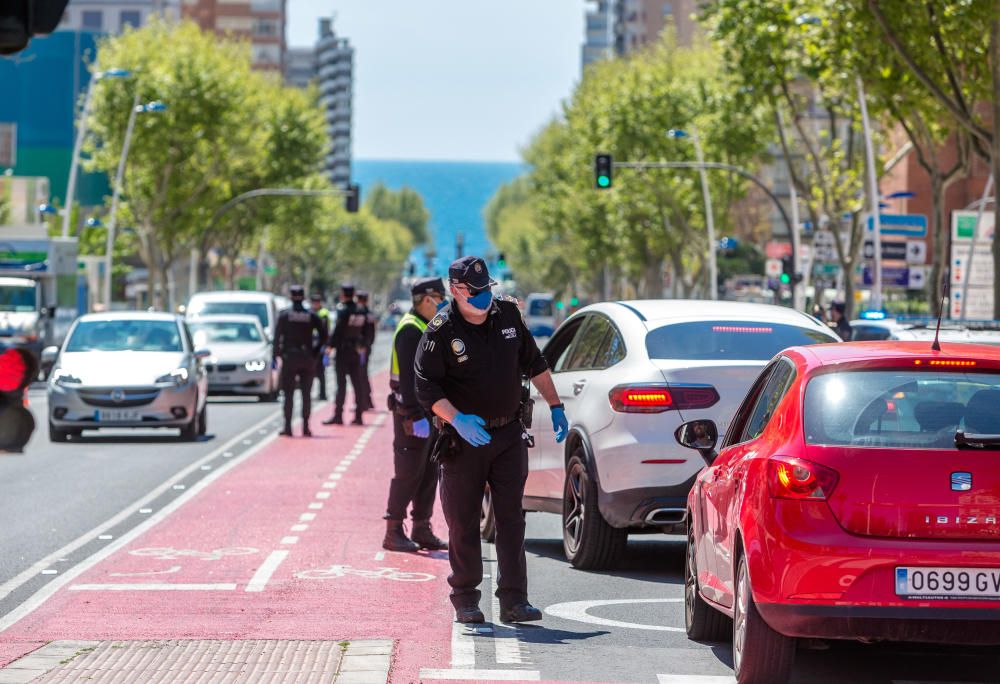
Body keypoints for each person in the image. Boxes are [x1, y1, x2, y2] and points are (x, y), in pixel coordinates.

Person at [415, 256, 569, 625]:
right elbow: (425, 387)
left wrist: (557, 405)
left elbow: (535, 362)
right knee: (463, 521)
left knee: (511, 519)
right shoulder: (439, 332)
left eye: (487, 290)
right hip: (463, 440)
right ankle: (466, 597)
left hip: (508, 435)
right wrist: (456, 419)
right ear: (456, 291)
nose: (484, 298)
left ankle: (514, 600)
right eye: (475, 292)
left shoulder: (509, 316)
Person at [383, 277, 449, 553]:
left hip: (428, 413)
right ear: (425, 299)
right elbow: (408, 380)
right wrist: (413, 415)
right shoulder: (411, 330)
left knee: (428, 473)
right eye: (439, 298)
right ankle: (393, 530)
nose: (443, 304)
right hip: (412, 415)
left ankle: (422, 527)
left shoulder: (426, 326)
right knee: (408, 473)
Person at [273, 285, 325, 437]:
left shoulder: (285, 315)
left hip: (290, 358)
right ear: (304, 297)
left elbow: (277, 337)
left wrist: (278, 355)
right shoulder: (311, 315)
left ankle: (288, 427)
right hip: (307, 357)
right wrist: (315, 353)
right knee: (306, 394)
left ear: (290, 296)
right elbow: (324, 335)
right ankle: (306, 427)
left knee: (288, 394)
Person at [323, 284, 368, 426]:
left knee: (341, 385)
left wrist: (329, 346)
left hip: (343, 351)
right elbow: (367, 331)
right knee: (357, 384)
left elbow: (338, 331)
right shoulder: (361, 310)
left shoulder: (343, 311)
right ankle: (359, 416)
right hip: (355, 350)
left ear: (343, 294)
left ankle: (338, 416)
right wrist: (363, 345)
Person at [356, 290, 376, 411]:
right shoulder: (370, 314)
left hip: (361, 349)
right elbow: (372, 333)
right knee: (363, 374)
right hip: (366, 347)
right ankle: (367, 400)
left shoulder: (361, 313)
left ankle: (365, 401)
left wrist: (362, 346)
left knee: (361, 375)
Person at [310, 293, 331, 400]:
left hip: (321, 345)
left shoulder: (323, 313)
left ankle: (323, 394)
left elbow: (326, 331)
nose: (315, 304)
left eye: (317, 302)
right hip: (311, 344)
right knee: (310, 371)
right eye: (313, 302)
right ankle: (309, 393)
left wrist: (327, 346)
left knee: (321, 371)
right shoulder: (310, 312)